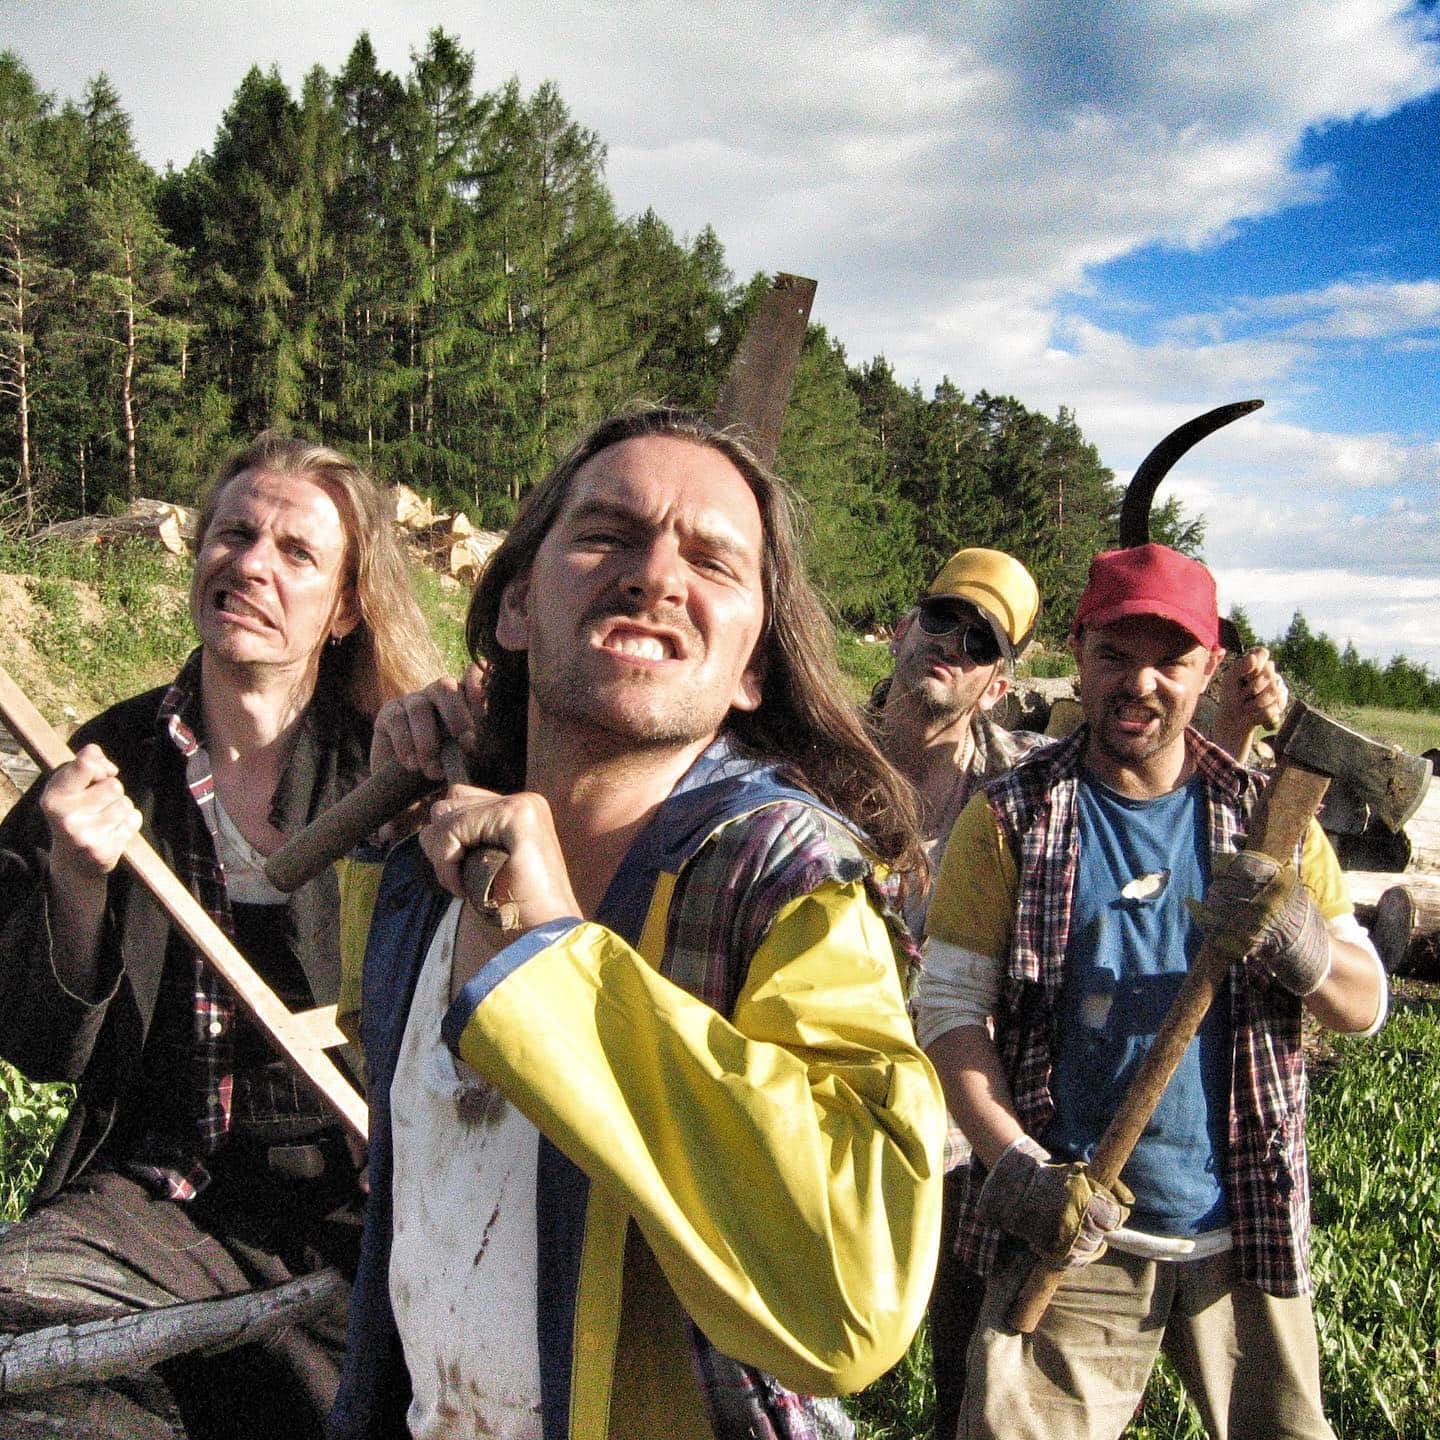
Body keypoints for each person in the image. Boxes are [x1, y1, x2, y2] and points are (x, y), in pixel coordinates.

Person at [328, 407, 948, 1440]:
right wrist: (401, 840)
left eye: (713, 560)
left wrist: (554, 960)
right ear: (517, 606)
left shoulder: (786, 882)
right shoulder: (434, 858)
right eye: (607, 535)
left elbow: (855, 1300)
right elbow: (385, 1059)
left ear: (753, 668)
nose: (657, 575)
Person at [0, 434, 442, 1439]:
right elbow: (31, 1040)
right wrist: (73, 881)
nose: (250, 563)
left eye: (295, 552)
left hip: (356, 1216)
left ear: (343, 610)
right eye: (234, 533)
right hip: (159, 1193)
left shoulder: (400, 781)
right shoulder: (108, 760)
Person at [914, 542, 1387, 1440]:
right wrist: (1018, 1167)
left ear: (1209, 668)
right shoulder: (1013, 816)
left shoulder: (1272, 817)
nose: (1140, 684)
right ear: (1079, 653)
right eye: (1114, 655)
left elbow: (1365, 1009)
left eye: (1169, 659)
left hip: (1243, 1226)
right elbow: (947, 1013)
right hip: (1076, 1235)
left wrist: (1302, 943)